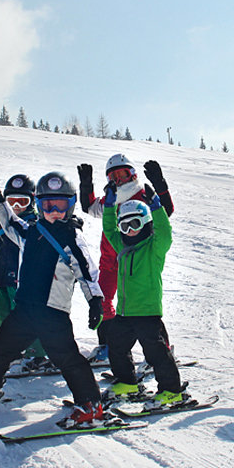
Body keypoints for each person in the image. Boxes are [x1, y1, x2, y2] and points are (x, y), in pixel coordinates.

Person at [0, 172, 107, 427]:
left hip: (53, 314)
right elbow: (9, 222)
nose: (54, 212)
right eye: (47, 205)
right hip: (24, 311)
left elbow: (87, 273)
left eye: (60, 206)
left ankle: (90, 405)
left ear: (71, 206)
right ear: (39, 206)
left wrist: (95, 301)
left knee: (69, 360)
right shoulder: (31, 231)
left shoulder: (72, 238)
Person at [77, 155, 174, 362]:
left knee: (143, 307)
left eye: (123, 174)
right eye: (114, 176)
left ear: (133, 175)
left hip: (137, 263)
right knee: (102, 300)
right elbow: (89, 208)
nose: (120, 180)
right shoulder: (109, 199)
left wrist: (160, 185)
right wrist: (86, 185)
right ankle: (108, 346)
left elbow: (166, 211)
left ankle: (162, 350)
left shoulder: (141, 195)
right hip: (110, 262)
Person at [101, 184, 186, 409]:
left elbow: (165, 233)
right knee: (116, 346)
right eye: (125, 225)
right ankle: (127, 383)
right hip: (124, 313)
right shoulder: (121, 246)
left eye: (135, 224)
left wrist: (157, 208)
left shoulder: (154, 248)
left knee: (156, 354)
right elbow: (109, 232)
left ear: (146, 223)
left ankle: (171, 391)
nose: (130, 231)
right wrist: (109, 208)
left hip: (147, 313)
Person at [0, 174, 49, 371]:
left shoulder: (34, 223)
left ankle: (37, 354)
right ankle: (10, 351)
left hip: (22, 281)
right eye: (12, 201)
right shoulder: (0, 219)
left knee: (28, 318)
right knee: (1, 313)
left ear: (32, 201)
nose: (16, 206)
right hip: (2, 275)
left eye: (22, 201)